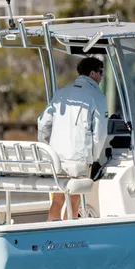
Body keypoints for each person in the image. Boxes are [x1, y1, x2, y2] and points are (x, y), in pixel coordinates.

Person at [38, 56, 109, 221]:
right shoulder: (97, 97)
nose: (101, 76)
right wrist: (96, 158)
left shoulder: (61, 93)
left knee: (58, 198)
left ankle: (50, 230)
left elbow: (42, 124)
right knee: (75, 197)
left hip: (55, 158)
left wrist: (47, 148)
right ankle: (67, 233)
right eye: (101, 73)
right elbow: (99, 134)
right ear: (92, 74)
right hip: (78, 159)